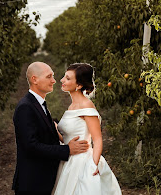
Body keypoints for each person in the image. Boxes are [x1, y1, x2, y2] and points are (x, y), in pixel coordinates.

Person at [12, 62, 89, 195]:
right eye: (49, 77)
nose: (54, 81)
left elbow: (46, 133)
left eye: (53, 76)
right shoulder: (25, 107)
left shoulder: (38, 103)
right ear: (34, 79)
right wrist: (67, 150)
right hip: (32, 184)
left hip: (43, 180)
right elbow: (31, 146)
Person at [52, 63, 122, 195]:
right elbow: (68, 138)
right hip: (69, 160)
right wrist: (55, 129)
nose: (62, 80)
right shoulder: (72, 106)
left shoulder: (86, 106)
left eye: (67, 78)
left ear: (78, 85)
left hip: (82, 161)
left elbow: (98, 139)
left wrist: (93, 165)